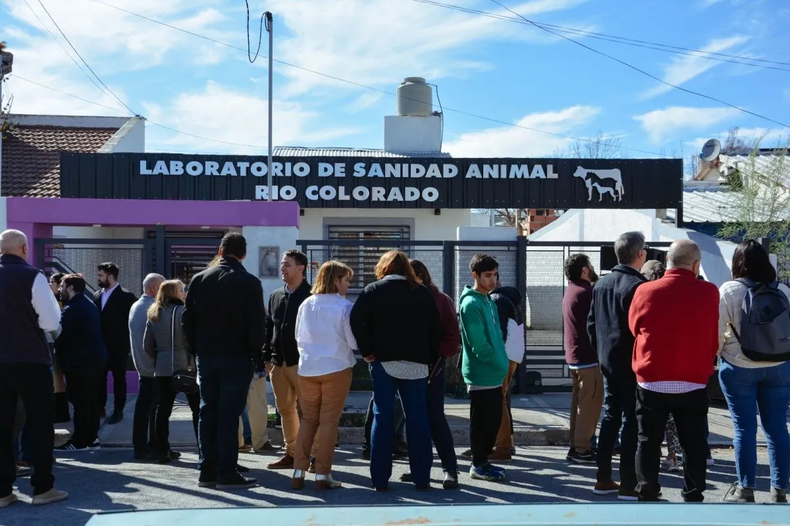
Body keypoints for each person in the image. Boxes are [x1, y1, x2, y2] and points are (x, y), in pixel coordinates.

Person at [629, 240, 719, 502]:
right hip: (692, 378)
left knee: (647, 439)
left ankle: (647, 488)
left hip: (652, 377)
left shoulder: (645, 291)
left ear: (667, 261)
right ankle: (693, 491)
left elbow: (634, 327)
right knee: (693, 441)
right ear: (695, 264)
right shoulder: (709, 292)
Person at [350, 250, 441, 491]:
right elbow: (435, 328)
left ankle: (379, 479)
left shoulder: (373, 290)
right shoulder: (422, 293)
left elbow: (357, 320)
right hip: (417, 366)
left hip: (383, 363)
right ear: (407, 270)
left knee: (383, 416)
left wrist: (367, 350)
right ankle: (422, 478)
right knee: (418, 419)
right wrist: (429, 360)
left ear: (384, 268)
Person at [183, 232, 265, 489]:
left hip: (207, 355)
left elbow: (187, 320)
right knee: (229, 415)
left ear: (220, 251)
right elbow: (257, 326)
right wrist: (257, 358)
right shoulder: (250, 283)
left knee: (208, 412)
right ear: (243, 254)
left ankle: (207, 470)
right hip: (237, 356)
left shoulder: (199, 279)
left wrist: (197, 349)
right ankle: (227, 471)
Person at [718, 240, 790, 504]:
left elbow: (717, 330)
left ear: (738, 263)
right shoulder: (783, 289)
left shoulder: (729, 289)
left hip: (739, 367)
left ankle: (745, 489)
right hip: (780, 366)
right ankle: (779, 490)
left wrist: (722, 354)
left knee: (743, 429)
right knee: (777, 429)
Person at [0, 230, 68, 507]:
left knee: (2, 427)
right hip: (30, 360)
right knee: (39, 424)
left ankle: (2, 492)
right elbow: (51, 321)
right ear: (25, 248)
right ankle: (42, 488)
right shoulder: (33, 276)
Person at [587, 231, 647, 500]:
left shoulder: (601, 284)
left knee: (610, 417)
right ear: (640, 254)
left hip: (608, 360)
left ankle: (602, 477)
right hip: (631, 362)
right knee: (631, 420)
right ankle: (627, 483)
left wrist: (600, 352)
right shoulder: (638, 286)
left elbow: (591, 324)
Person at [291, 261, 357, 490]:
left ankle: (298, 471)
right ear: (336, 280)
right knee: (329, 422)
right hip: (336, 367)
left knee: (309, 420)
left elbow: (298, 336)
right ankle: (322, 474)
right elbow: (352, 342)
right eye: (346, 279)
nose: (348, 284)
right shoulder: (344, 307)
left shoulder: (306, 303)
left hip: (307, 368)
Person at [404, 259, 461, 489]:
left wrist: (439, 357)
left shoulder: (440, 299)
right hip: (408, 369)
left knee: (436, 419)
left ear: (418, 275)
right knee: (415, 420)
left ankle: (450, 469)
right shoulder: (407, 298)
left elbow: (452, 335)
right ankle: (419, 467)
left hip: (432, 368)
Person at [458, 254, 510, 482]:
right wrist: (500, 362)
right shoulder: (471, 303)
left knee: (493, 421)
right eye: (487, 275)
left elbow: (497, 335)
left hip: (494, 372)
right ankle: (478, 464)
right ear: (475, 275)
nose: (493, 280)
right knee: (482, 423)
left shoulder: (487, 299)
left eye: (495, 275)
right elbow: (478, 345)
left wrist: (502, 364)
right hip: (482, 373)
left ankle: (484, 462)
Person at [264, 249, 313, 470]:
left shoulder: (312, 295)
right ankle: (292, 454)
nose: (282, 268)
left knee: (309, 412)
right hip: (278, 363)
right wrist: (266, 358)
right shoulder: (275, 296)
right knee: (285, 411)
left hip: (302, 364)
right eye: (282, 264)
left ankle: (314, 456)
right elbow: (268, 328)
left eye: (287, 264)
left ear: (301, 268)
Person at [144, 279, 200, 464]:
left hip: (162, 367)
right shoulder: (184, 312)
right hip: (186, 366)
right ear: (174, 293)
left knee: (162, 410)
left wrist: (161, 356)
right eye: (181, 290)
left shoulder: (154, 314)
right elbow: (192, 339)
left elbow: (147, 345)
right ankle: (203, 449)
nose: (184, 292)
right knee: (197, 409)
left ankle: (162, 450)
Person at [55, 274, 109, 453]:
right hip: (94, 360)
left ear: (71, 288)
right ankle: (92, 438)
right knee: (90, 402)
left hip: (81, 363)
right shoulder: (88, 304)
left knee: (80, 404)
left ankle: (78, 441)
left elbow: (60, 336)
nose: (59, 289)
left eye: (62, 286)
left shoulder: (72, 309)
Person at [563, 253, 602, 465]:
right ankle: (582, 449)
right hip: (588, 358)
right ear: (585, 269)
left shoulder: (571, 290)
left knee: (578, 403)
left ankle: (576, 445)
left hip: (574, 356)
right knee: (590, 406)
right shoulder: (587, 292)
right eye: (590, 265)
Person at [94, 262, 137, 424]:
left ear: (110, 276)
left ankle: (118, 410)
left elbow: (130, 323)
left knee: (119, 378)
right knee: (100, 378)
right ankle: (100, 408)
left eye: (101, 275)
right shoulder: (97, 295)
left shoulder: (126, 297)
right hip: (100, 345)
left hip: (118, 346)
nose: (98, 278)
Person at [129, 273, 165, 461]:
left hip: (144, 367)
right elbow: (153, 342)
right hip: (152, 368)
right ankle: (148, 448)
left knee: (147, 409)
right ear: (153, 289)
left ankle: (148, 446)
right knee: (151, 410)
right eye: (162, 286)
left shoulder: (136, 305)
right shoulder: (151, 308)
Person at [489, 280, 524, 463]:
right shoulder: (509, 297)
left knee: (498, 400)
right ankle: (506, 443)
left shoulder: (496, 299)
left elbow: (499, 333)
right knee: (501, 399)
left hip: (503, 355)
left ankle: (502, 447)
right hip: (513, 355)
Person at [48, 272, 70, 423]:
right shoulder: (52, 299)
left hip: (59, 345)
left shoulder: (61, 302)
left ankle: (62, 414)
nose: (50, 285)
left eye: (52, 282)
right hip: (55, 345)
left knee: (58, 382)